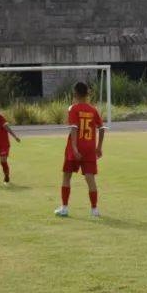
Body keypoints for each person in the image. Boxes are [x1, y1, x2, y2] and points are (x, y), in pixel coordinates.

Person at [55, 82, 105, 218]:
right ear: (87, 94)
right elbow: (101, 128)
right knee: (90, 178)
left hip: (75, 147)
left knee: (67, 176)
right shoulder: (93, 110)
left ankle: (64, 208)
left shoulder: (73, 108)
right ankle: (94, 209)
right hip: (90, 148)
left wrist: (75, 148)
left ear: (75, 93)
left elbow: (74, 128)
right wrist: (99, 147)